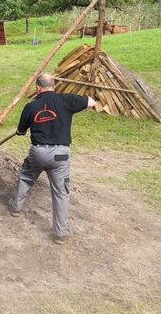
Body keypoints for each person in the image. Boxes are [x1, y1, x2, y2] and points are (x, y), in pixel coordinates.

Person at [7, 73, 96, 244]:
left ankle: (16, 207)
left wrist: (21, 130)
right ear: (54, 87)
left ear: (37, 88)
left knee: (26, 177)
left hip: (38, 152)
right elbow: (91, 102)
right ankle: (60, 233)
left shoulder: (30, 106)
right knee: (61, 193)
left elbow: (21, 130)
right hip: (61, 155)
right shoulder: (66, 99)